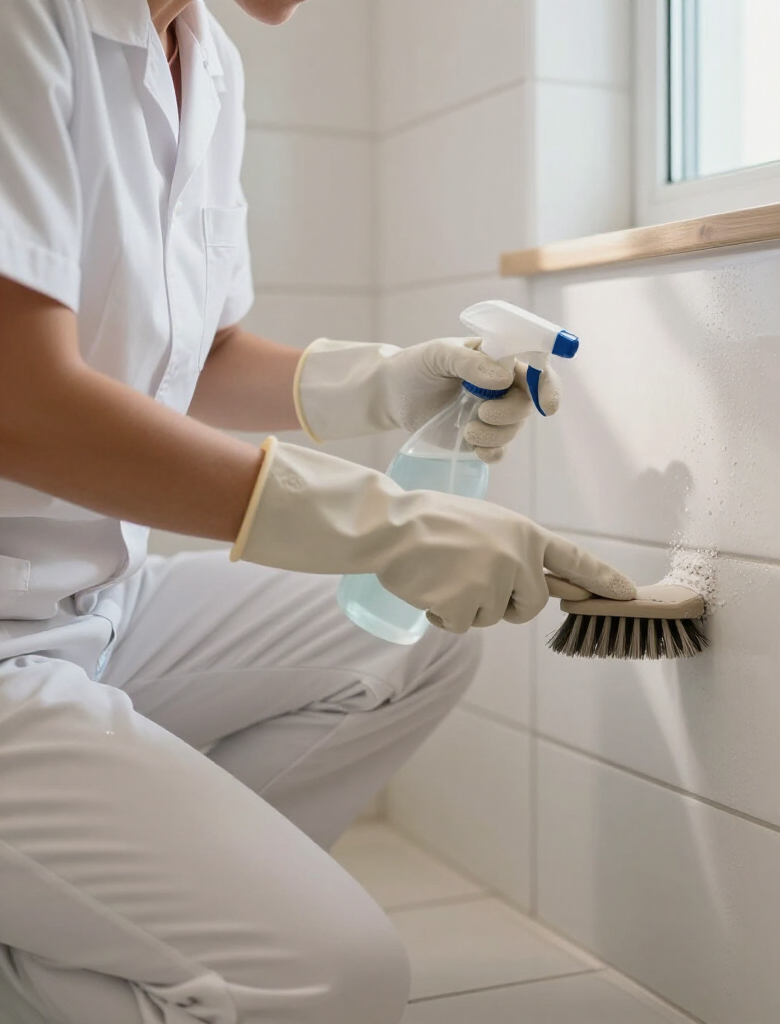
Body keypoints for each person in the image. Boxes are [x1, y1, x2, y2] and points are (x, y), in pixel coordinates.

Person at [0, 1, 636, 1021]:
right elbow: (25, 405)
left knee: (406, 640)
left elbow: (197, 355)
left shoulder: (206, 65)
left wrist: (385, 380)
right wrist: (378, 521)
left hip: (93, 607)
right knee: (333, 975)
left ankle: (76, 941)